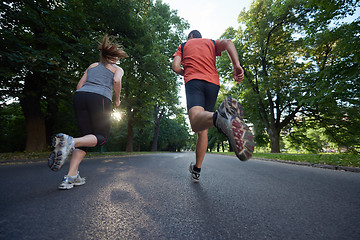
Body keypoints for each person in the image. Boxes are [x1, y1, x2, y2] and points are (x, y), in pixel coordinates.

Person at [172, 30, 254, 182]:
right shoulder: (210, 42)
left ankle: (220, 117)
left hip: (194, 82)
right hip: (213, 84)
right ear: (200, 36)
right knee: (203, 126)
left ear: (190, 36)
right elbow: (229, 42)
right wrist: (236, 65)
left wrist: (188, 72)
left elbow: (176, 67)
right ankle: (196, 169)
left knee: (196, 123)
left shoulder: (183, 46)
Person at [48, 34, 128, 190]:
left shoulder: (92, 66)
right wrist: (117, 99)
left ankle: (70, 177)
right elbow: (116, 81)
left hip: (80, 96)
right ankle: (70, 141)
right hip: (100, 98)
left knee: (87, 137)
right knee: (101, 137)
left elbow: (79, 86)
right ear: (114, 57)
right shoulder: (118, 69)